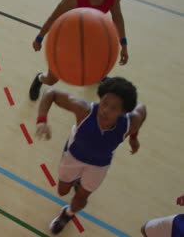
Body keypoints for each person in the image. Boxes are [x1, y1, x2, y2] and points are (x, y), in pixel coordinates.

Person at [35, 77, 146, 234]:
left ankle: (68, 214)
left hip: (99, 165)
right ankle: (76, 182)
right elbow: (51, 93)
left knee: (81, 198)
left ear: (123, 112)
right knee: (62, 191)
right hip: (73, 157)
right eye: (105, 103)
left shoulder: (130, 122)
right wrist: (41, 121)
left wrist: (134, 138)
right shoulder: (84, 110)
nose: (105, 110)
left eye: (114, 108)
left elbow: (142, 109)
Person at [29, 0, 129, 101]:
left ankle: (98, 76)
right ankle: (39, 78)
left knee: (98, 65)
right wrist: (39, 38)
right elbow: (52, 19)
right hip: (64, 41)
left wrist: (124, 45)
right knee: (51, 80)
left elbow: (117, 18)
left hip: (89, 39)